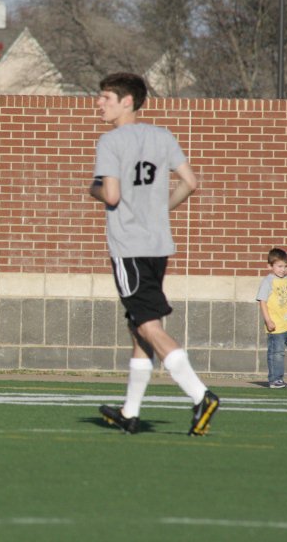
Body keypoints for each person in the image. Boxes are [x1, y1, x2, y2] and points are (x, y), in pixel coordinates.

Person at [89, 73, 219, 436]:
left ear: (127, 100)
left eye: (105, 97)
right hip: (158, 245)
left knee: (148, 324)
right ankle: (130, 412)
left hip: (129, 247)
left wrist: (93, 188)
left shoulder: (111, 140)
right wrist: (162, 209)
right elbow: (190, 182)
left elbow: (111, 195)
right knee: (138, 326)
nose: (99, 104)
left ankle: (200, 394)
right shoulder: (162, 136)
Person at [255, 247, 287, 389]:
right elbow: (262, 301)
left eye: (285, 266)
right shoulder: (268, 281)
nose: (283, 269)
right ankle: (276, 379)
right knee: (277, 353)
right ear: (270, 266)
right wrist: (268, 320)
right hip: (276, 326)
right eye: (280, 266)